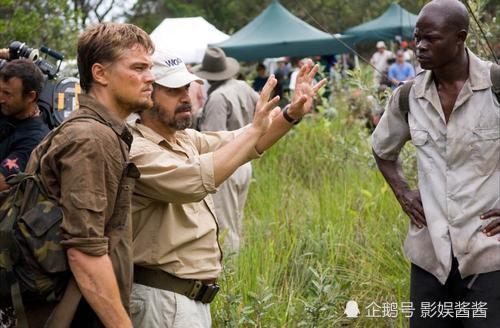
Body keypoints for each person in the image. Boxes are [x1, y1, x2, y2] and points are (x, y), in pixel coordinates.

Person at [129, 49, 326, 327]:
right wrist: (254, 132)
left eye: (187, 87)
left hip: (185, 299)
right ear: (147, 95)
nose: (186, 96)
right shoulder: (138, 150)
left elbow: (242, 140)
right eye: (174, 90)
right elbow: (196, 180)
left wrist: (291, 114)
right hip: (162, 300)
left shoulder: (183, 139)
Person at [371, 0, 500, 326]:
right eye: (417, 38)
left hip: (488, 255)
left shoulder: (496, 86)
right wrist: (403, 192)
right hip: (430, 257)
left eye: (431, 38)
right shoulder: (408, 96)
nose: (420, 47)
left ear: (460, 37)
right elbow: (382, 149)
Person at [23, 22, 155, 327]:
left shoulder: (101, 130)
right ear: (100, 74)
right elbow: (85, 253)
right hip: (76, 314)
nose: (150, 77)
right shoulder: (91, 138)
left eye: (150, 67)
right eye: (138, 67)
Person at [195, 47, 260, 250]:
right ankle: (237, 268)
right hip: (245, 161)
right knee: (235, 220)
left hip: (227, 164)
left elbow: (214, 139)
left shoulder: (217, 98)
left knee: (224, 226)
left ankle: (230, 273)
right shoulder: (243, 87)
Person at [0, 59, 49, 190]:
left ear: (30, 97)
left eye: (7, 94)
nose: (1, 98)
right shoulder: (6, 108)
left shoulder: (35, 139)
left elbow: (3, 181)